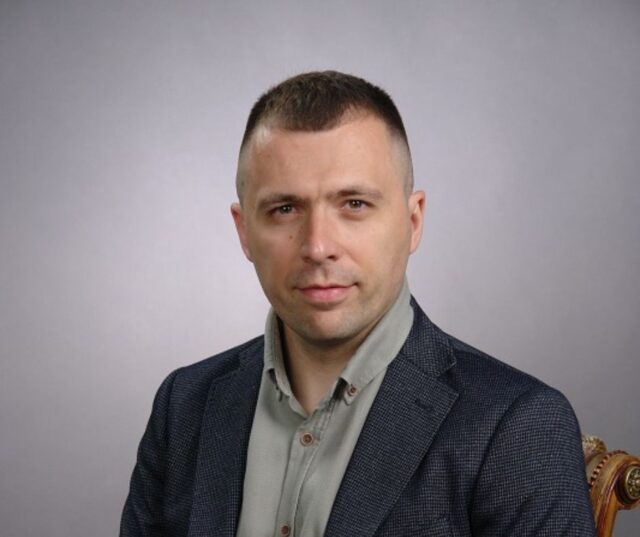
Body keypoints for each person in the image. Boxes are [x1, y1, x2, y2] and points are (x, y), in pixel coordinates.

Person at [120, 71, 596, 537]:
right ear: (244, 231)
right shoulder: (184, 405)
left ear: (413, 221)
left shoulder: (516, 425)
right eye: (285, 209)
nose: (318, 246)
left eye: (354, 205)